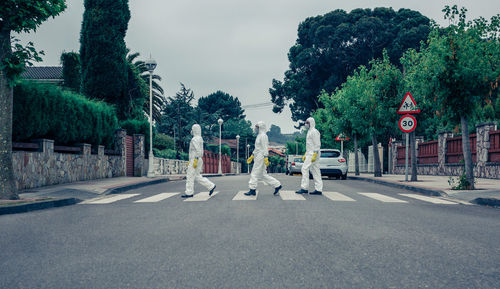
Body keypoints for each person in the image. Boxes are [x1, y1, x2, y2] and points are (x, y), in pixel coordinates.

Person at [245, 121, 282, 196]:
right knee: (263, 175)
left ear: (261, 127)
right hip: (258, 156)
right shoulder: (259, 135)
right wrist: (252, 156)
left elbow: (265, 147)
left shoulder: (263, 136)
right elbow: (257, 148)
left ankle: (252, 189)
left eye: (257, 127)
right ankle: (277, 185)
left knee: (254, 173)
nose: (255, 128)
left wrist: (265, 157)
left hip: (261, 156)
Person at [181, 124, 217, 198]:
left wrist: (194, 160)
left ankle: (189, 192)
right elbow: (200, 151)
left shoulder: (194, 139)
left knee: (190, 176)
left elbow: (197, 150)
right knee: (197, 176)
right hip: (199, 159)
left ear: (194, 130)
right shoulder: (200, 138)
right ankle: (211, 186)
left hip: (195, 159)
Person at [296, 117, 323, 195]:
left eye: (307, 122)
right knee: (316, 171)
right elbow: (310, 145)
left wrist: (314, 154)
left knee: (304, 169)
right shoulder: (310, 131)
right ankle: (318, 189)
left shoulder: (314, 131)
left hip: (313, 153)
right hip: (310, 153)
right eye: (306, 122)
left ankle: (304, 188)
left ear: (311, 123)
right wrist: (306, 153)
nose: (306, 124)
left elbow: (317, 144)